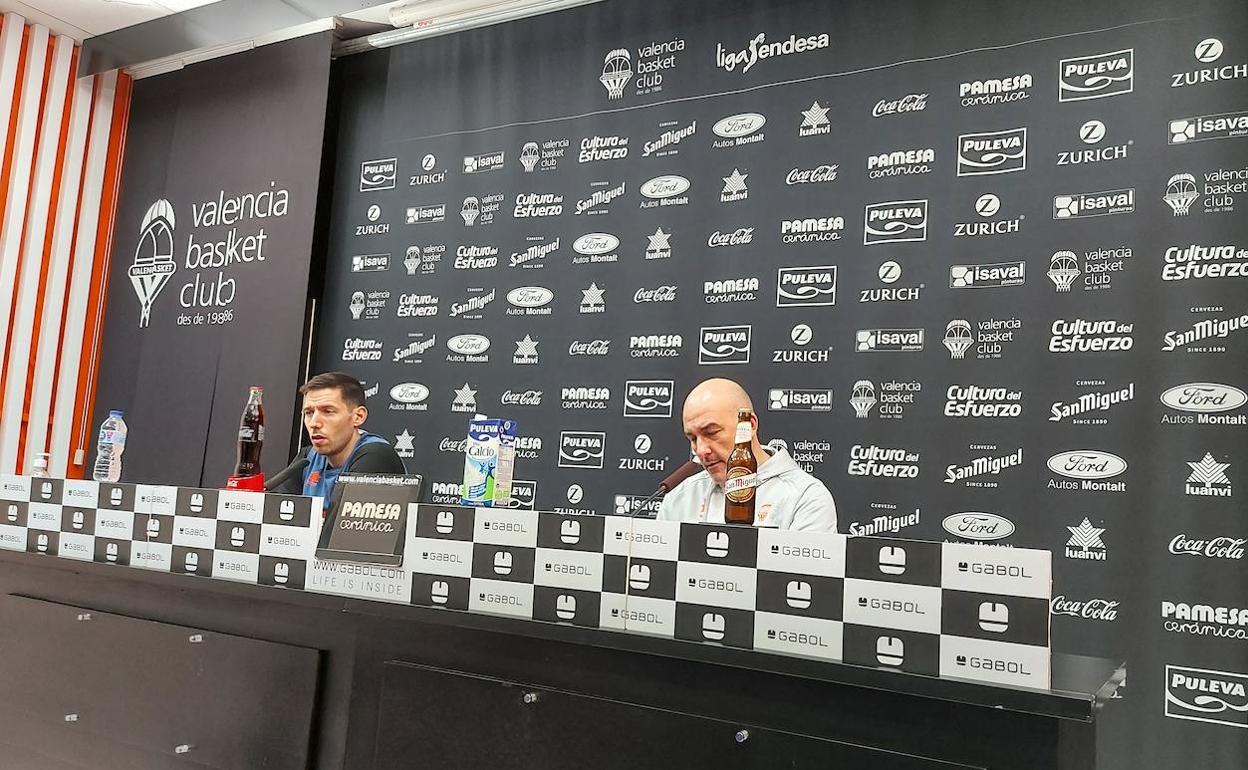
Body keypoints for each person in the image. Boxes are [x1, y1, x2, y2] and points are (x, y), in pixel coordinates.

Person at [657, 378, 837, 532]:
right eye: (693, 438)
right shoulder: (678, 498)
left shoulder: (806, 498)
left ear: (748, 425)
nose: (701, 450)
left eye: (712, 432)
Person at [270, 371, 406, 498]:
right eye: (309, 413)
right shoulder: (307, 459)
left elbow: (346, 522)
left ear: (358, 416)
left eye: (328, 411)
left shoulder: (375, 455)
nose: (314, 423)